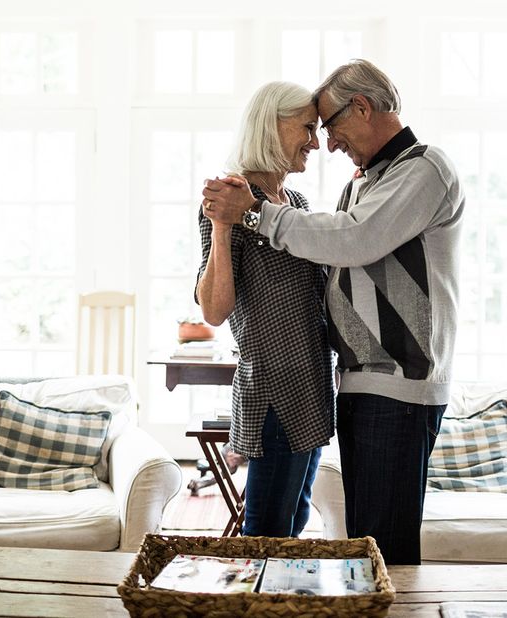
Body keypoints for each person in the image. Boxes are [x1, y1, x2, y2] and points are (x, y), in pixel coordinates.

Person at [201, 60, 464, 564]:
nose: (326, 143)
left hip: (388, 383)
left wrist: (255, 214)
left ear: (361, 107)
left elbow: (353, 239)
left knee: (374, 542)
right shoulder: (363, 181)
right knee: (341, 534)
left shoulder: (421, 168)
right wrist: (229, 222)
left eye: (328, 126)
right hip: (325, 384)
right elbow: (220, 304)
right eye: (309, 128)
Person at [195, 81, 334, 538]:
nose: (315, 142)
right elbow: (214, 311)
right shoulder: (232, 196)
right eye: (307, 129)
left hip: (313, 382)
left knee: (294, 522)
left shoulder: (295, 203)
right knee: (266, 532)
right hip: (274, 389)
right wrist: (220, 228)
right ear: (272, 126)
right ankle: (259, 608)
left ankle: (287, 606)